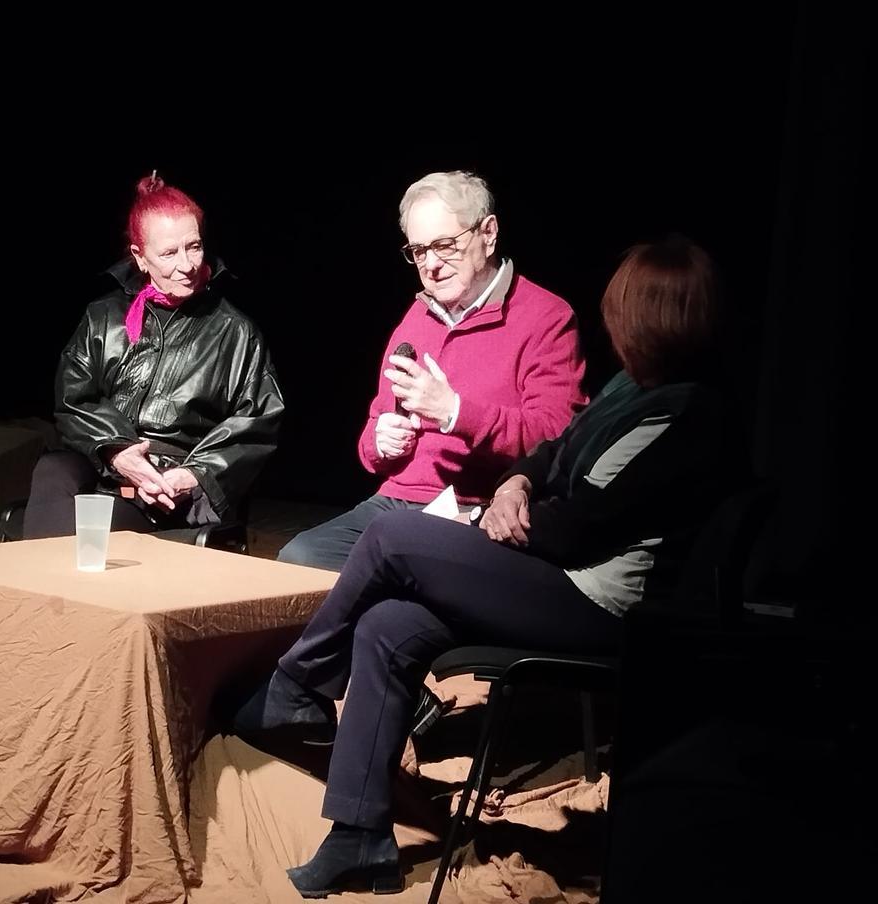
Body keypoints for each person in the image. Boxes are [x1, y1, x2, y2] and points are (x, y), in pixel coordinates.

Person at [234, 236, 739, 897]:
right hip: (556, 571)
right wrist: (516, 485)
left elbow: (579, 527)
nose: (614, 324)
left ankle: (297, 685)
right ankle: (359, 838)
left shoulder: (691, 414)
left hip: (599, 608)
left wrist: (514, 512)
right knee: (388, 626)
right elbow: (552, 452)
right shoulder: (628, 386)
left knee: (390, 539)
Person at [277, 170, 586, 571]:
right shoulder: (417, 318)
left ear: (488, 233)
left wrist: (455, 413)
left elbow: (557, 436)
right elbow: (373, 436)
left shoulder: (546, 317)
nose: (432, 264)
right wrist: (380, 442)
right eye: (419, 251)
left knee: (395, 583)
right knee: (298, 559)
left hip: (476, 509)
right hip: (397, 503)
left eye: (445, 245)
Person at [23, 174, 284, 538]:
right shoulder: (104, 318)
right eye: (169, 253)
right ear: (140, 257)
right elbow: (74, 398)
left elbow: (256, 420)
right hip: (107, 465)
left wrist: (193, 474)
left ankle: (49, 588)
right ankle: (47, 586)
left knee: (86, 529)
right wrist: (118, 452)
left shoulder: (233, 331)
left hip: (171, 488)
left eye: (194, 247)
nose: (187, 264)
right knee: (54, 471)